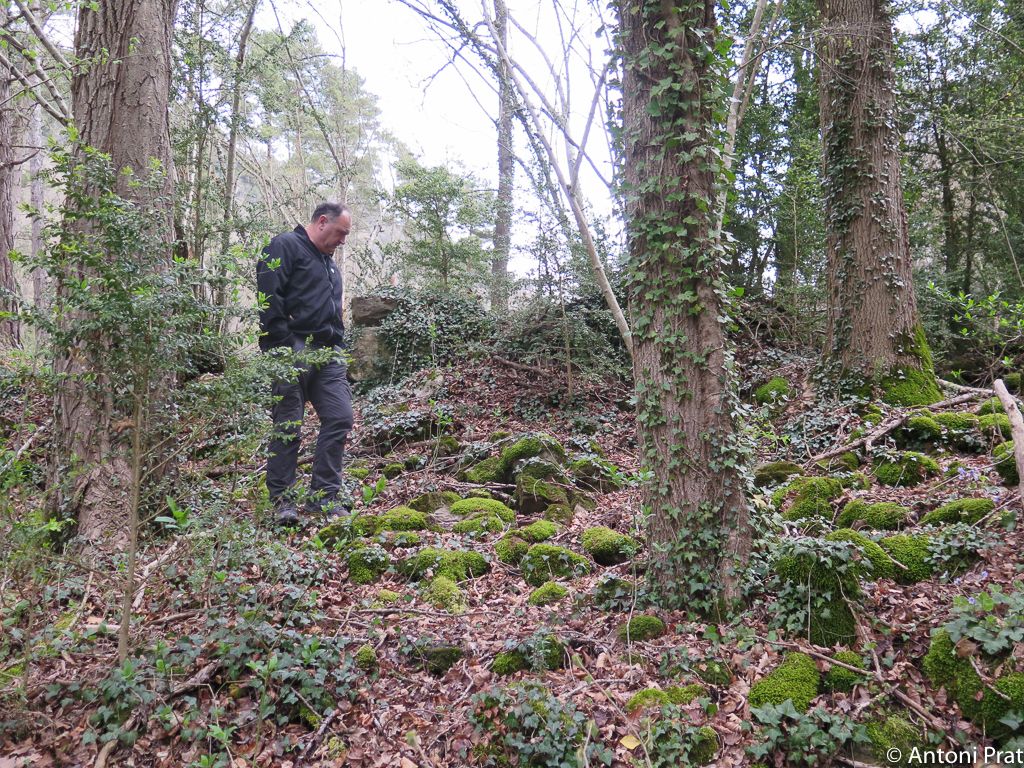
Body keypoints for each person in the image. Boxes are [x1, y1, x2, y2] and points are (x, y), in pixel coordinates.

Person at [257, 203, 354, 526]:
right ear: (322, 222)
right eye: (340, 232)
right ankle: (282, 501)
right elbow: (269, 299)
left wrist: (338, 345)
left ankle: (323, 497)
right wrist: (283, 345)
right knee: (288, 425)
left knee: (340, 417)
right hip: (292, 349)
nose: (343, 240)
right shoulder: (285, 246)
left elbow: (332, 312)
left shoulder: (330, 265)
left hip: (328, 354)